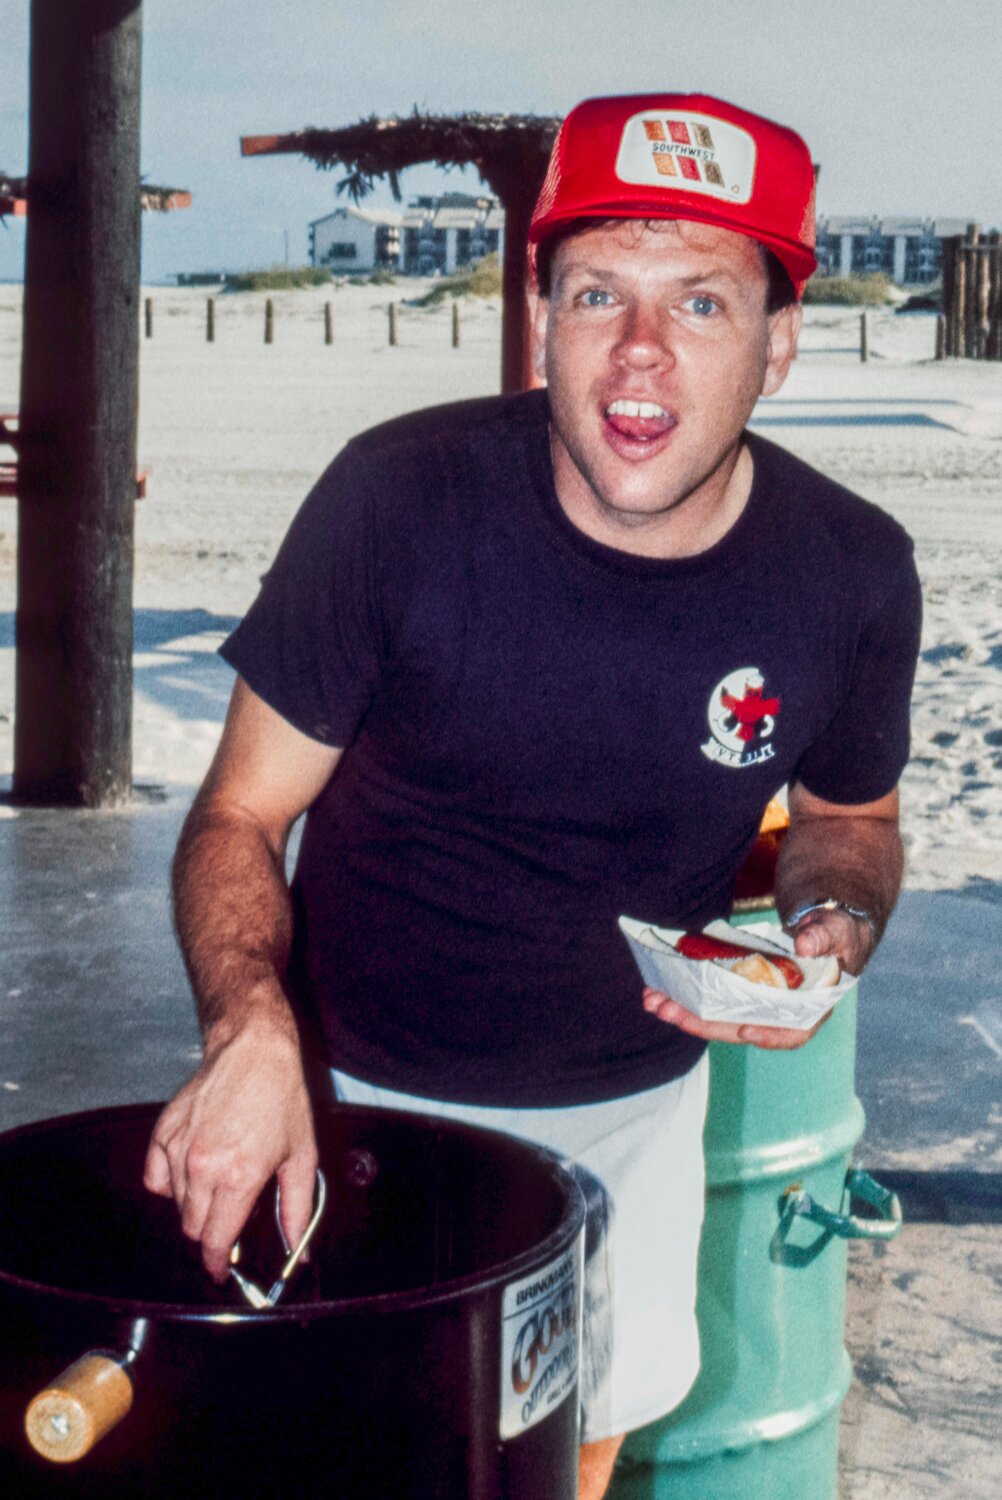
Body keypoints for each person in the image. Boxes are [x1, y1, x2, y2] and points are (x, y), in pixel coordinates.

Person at [144, 92, 921, 1500]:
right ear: (540, 317)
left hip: (635, 1109)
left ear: (778, 343)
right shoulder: (397, 503)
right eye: (596, 293)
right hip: (350, 1098)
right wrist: (249, 1028)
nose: (639, 347)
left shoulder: (851, 570)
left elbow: (848, 822)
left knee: (566, 1453)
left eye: (701, 301)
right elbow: (239, 817)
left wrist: (832, 928)